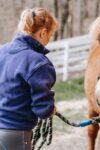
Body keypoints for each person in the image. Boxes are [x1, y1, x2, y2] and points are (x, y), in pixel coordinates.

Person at [0, 8, 58, 150]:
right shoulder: (38, 63)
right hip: (16, 135)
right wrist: (51, 109)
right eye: (49, 36)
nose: (48, 41)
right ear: (43, 32)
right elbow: (43, 110)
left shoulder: (2, 51)